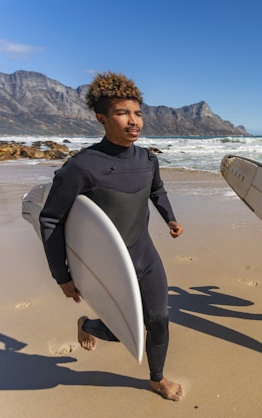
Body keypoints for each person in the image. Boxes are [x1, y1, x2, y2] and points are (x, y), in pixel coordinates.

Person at [39, 72, 184, 401]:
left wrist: (171, 219)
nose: (134, 121)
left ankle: (156, 379)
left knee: (159, 319)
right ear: (101, 118)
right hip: (108, 262)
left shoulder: (148, 159)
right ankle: (89, 325)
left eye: (138, 113)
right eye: (122, 113)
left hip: (143, 253)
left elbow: (156, 191)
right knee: (124, 330)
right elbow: (50, 219)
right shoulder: (81, 166)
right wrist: (61, 276)